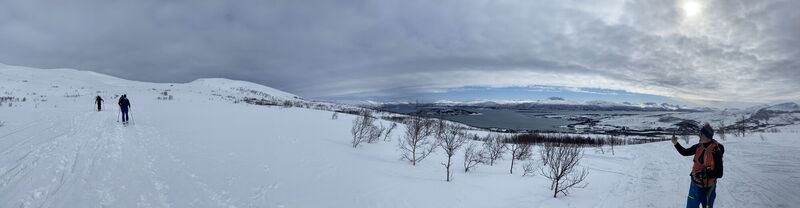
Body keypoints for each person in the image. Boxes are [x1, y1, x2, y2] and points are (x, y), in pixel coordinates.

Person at [672, 123, 724, 208]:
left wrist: (703, 174)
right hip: (695, 186)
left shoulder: (716, 151)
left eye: (701, 134)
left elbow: (719, 173)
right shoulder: (699, 146)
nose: (698, 135)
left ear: (707, 136)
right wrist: (675, 143)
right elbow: (685, 152)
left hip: (708, 188)